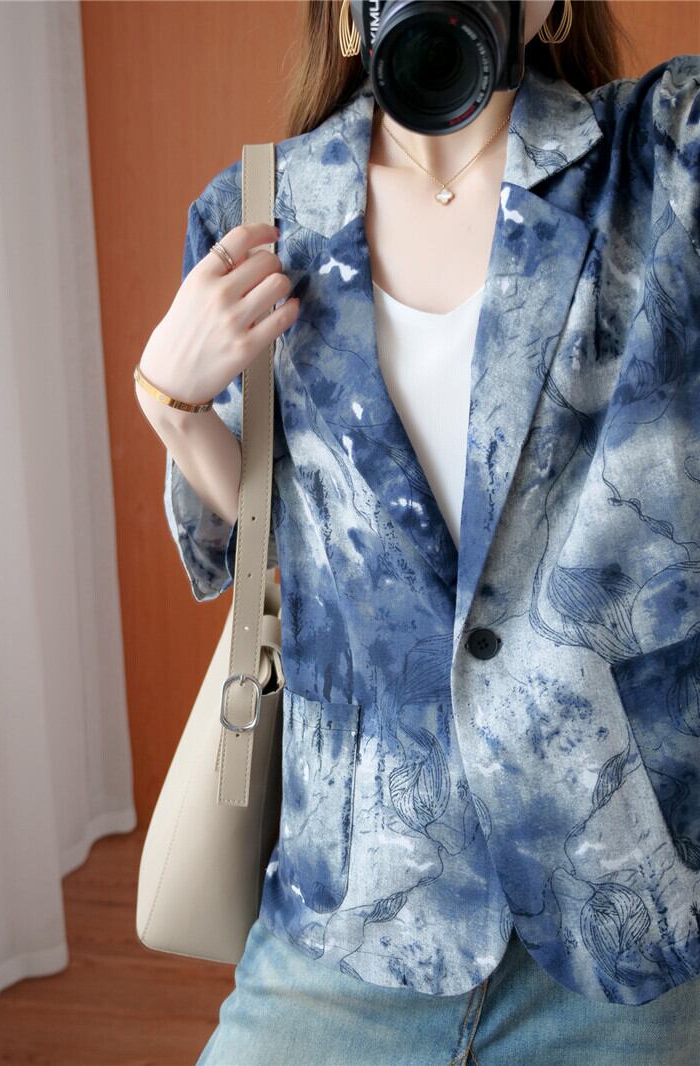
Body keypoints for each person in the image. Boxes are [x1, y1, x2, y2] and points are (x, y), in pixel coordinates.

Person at [135, 1, 700, 1062]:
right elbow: (280, 546)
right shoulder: (256, 210)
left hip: (620, 897)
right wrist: (169, 403)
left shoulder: (663, 158)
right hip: (359, 900)